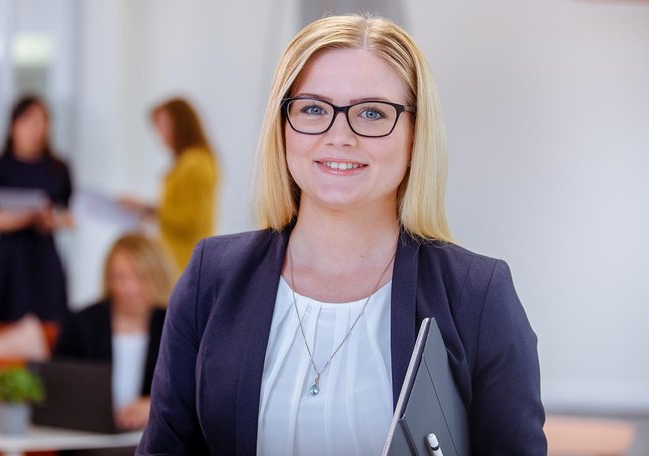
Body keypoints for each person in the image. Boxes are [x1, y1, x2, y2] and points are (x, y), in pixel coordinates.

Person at [137, 14, 546, 456]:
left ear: (415, 134)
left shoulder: (477, 295)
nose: (339, 135)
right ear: (283, 127)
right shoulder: (210, 279)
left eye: (372, 113)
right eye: (313, 109)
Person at [53, 233, 175, 431]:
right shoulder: (82, 324)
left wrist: (156, 405)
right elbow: (60, 388)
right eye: (120, 277)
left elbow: (192, 390)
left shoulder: (174, 326)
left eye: (140, 277)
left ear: (156, 276)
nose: (129, 288)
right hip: (89, 436)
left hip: (152, 437)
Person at [0, 95, 73, 327]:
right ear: (13, 126)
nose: (35, 129)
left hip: (43, 257)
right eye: (28, 121)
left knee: (47, 325)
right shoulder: (0, 166)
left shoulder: (58, 167)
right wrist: (18, 219)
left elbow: (69, 216)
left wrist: (51, 219)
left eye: (42, 122)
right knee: (2, 323)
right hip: (9, 259)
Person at [120, 98, 218, 272]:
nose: (160, 135)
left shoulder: (195, 164)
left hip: (184, 260)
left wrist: (147, 209)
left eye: (164, 126)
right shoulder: (189, 161)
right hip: (177, 258)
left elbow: (190, 220)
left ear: (180, 124)